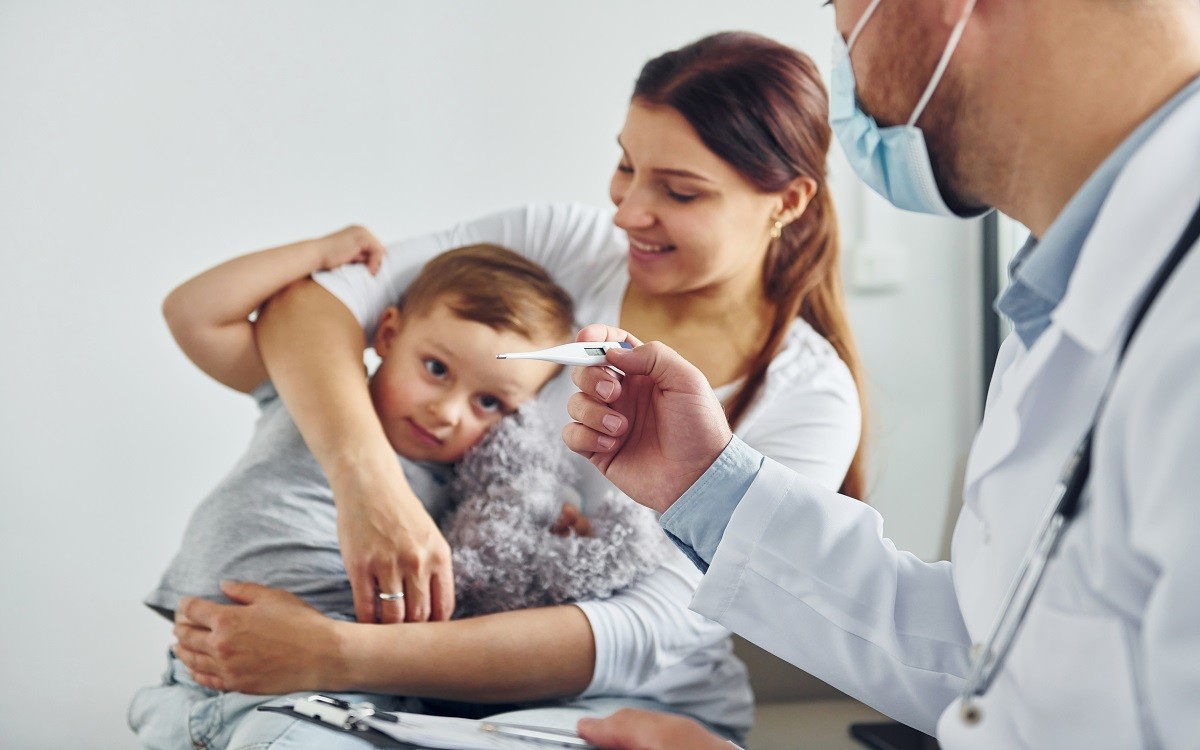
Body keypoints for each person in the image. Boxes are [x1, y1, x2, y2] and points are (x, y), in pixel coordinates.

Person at [169, 32, 867, 742]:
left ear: (787, 201)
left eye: (680, 192)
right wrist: (370, 491)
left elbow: (651, 627)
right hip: (428, 680)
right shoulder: (561, 245)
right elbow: (312, 308)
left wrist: (335, 654)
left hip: (624, 708)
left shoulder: (811, 402)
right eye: (626, 165)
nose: (627, 212)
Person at [563, 0, 1200, 748]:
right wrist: (706, 485)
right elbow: (987, 656)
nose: (842, 56)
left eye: (839, 13)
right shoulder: (1072, 290)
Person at [130, 227, 575, 749]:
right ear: (387, 333)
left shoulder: (466, 493)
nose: (447, 412)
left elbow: (491, 590)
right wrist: (316, 253)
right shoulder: (310, 391)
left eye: (490, 404)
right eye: (436, 369)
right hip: (187, 686)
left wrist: (558, 538)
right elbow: (192, 313)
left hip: (329, 703)